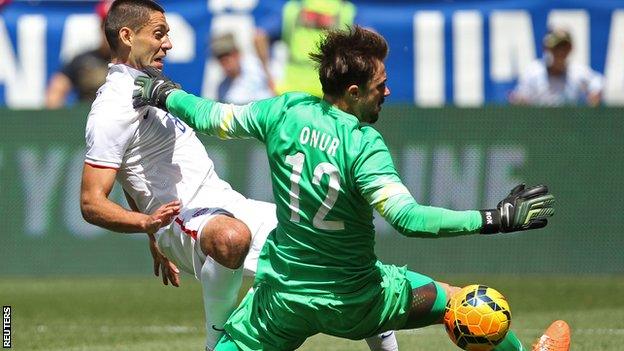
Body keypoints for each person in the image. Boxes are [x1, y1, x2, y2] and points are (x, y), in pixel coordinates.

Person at [133, 26, 570, 351]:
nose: (388, 91)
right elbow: (409, 220)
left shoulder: (285, 111)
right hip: (360, 301)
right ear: (355, 91)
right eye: (380, 87)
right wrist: (494, 219)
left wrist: (164, 92)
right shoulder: (363, 145)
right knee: (464, 301)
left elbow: (214, 118)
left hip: (285, 298)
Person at [81, 2, 398, 350]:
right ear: (127, 36)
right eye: (159, 34)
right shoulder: (111, 108)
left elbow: (134, 169)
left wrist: (152, 241)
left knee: (333, 249)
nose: (168, 43)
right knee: (231, 237)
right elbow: (91, 202)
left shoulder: (148, 86)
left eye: (167, 33)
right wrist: (147, 225)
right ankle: (214, 343)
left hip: (225, 204)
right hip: (185, 219)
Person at [254, 0, 355, 97]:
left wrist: (268, 76)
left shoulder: (293, 9)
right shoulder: (345, 11)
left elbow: (259, 37)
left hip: (292, 92)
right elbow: (367, 40)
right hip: (329, 93)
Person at [509, 28, 603, 106]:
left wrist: (594, 94)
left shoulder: (577, 71)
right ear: (547, 49)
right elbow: (521, 97)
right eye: (556, 47)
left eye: (564, 47)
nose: (561, 51)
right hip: (540, 125)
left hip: (569, 125)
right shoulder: (533, 71)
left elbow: (597, 82)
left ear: (570, 49)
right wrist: (519, 100)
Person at [45, 0, 112, 108]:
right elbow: (55, 93)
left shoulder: (133, 63)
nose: (112, 32)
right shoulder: (82, 60)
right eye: (108, 25)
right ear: (100, 27)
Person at [211, 32, 273, 104]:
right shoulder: (222, 89)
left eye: (228, 56)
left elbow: (259, 38)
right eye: (220, 58)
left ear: (237, 53)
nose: (225, 62)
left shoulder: (257, 67)